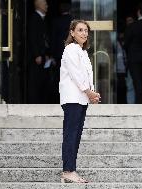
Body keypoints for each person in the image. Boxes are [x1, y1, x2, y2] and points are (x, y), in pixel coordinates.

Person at [59, 20, 100, 183]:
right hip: (72, 98)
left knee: (76, 135)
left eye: (86, 30)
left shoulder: (82, 51)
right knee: (71, 134)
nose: (84, 33)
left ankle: (71, 169)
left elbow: (86, 75)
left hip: (81, 98)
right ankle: (68, 170)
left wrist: (92, 93)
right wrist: (89, 92)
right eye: (80, 30)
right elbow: (76, 74)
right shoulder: (70, 49)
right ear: (72, 32)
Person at [27, 0, 53, 103]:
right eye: (45, 4)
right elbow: (33, 38)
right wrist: (37, 54)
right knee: (35, 81)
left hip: (43, 57)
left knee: (43, 81)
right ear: (39, 5)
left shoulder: (43, 19)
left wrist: (47, 55)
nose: (47, 6)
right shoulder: (34, 18)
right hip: (36, 57)